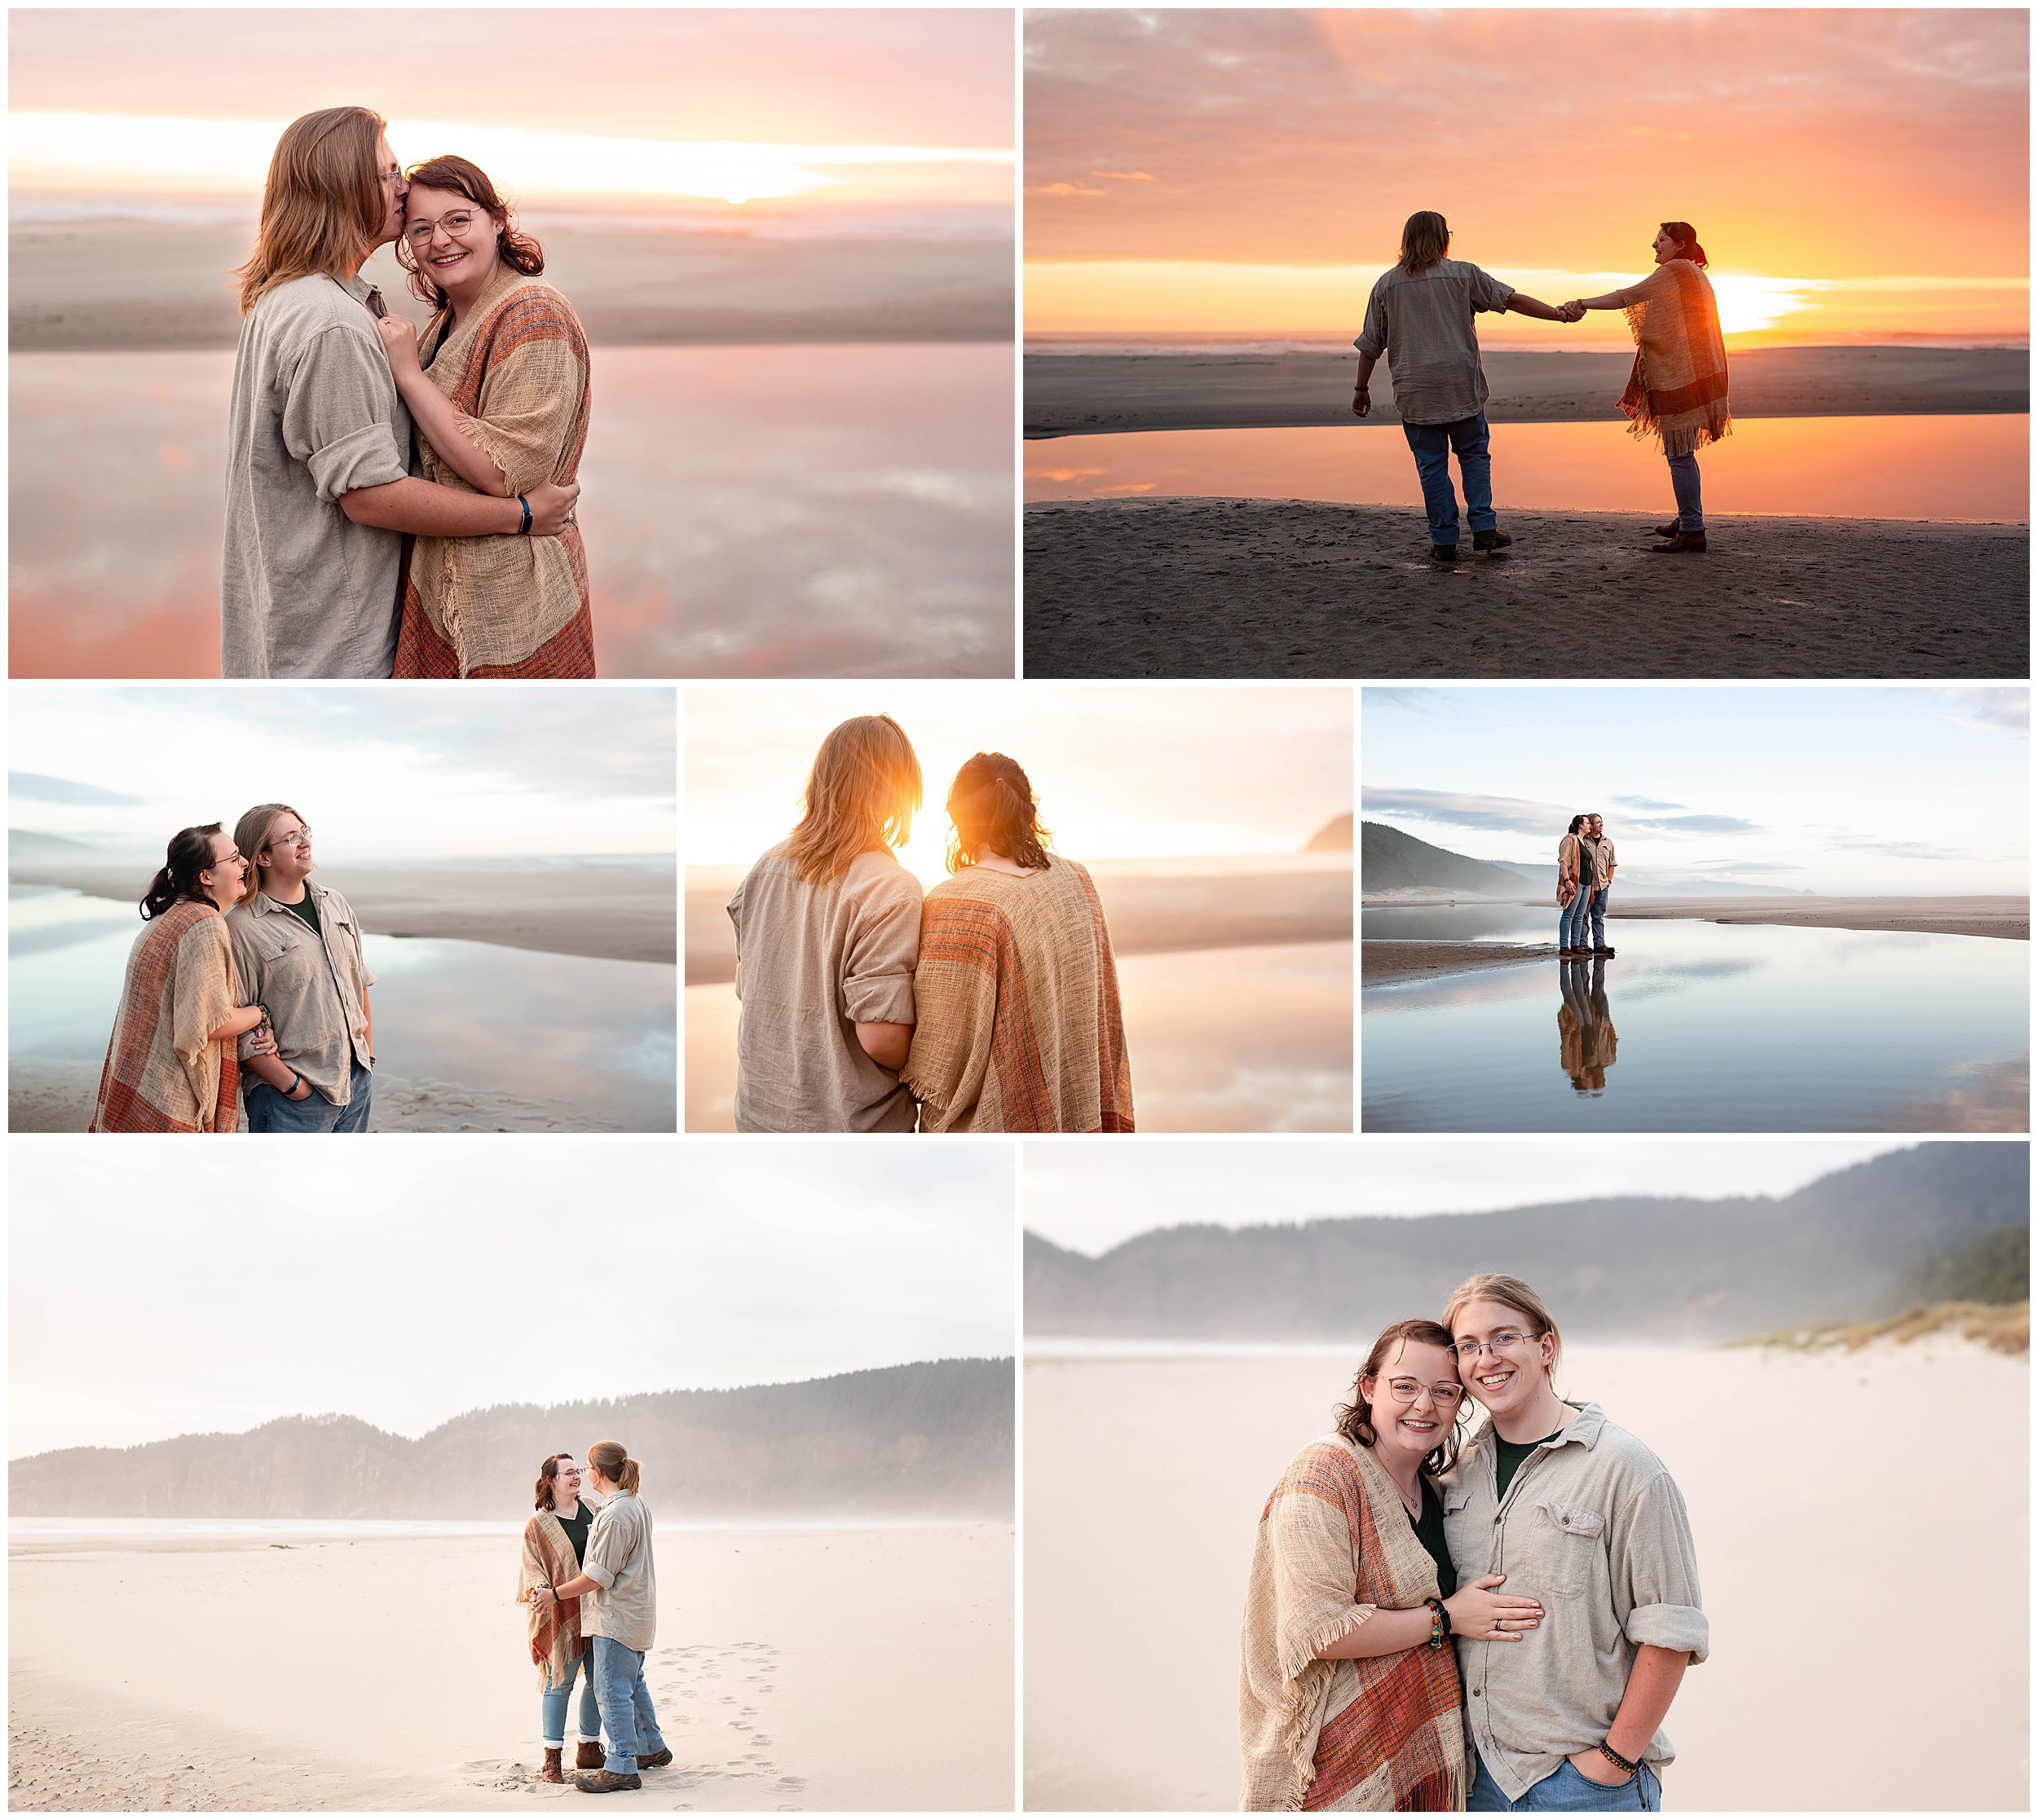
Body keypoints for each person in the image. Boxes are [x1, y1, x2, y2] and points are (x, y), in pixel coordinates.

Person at [223, 107, 580, 679]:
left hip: (299, 635)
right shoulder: (331, 323)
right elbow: (370, 495)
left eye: (459, 219)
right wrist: (519, 515)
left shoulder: (289, 301)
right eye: (388, 173)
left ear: (496, 221)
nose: (402, 186)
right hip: (337, 649)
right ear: (343, 188)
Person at [1239, 1319, 1545, 1810]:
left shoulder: (1440, 1492)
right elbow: (1317, 1629)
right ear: (1369, 1388)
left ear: (1461, 1403)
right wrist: (1445, 1618)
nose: (1424, 1406)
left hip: (1418, 1754)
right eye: (1404, 1387)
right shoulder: (1324, 1475)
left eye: (1444, 1392)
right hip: (1330, 1764)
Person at [1440, 1275, 1705, 1812]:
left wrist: (1612, 1761)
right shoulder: (1457, 1473)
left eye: (1503, 1337)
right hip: (1474, 1781)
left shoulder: (1626, 1467)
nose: (1486, 1357)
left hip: (1580, 1785)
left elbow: (1671, 1628)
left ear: (1546, 1346)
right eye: (1468, 1345)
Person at [381, 155, 594, 678]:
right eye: (421, 228)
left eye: (459, 219)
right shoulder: (441, 327)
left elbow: (506, 473)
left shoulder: (533, 314)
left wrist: (408, 375)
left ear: (497, 221)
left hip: (518, 605)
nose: (441, 241)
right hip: (440, 597)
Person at [902, 752, 1133, 1132]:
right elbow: (1099, 1013)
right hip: (1079, 1118)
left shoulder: (956, 904)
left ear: (957, 817)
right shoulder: (1077, 881)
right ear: (1027, 809)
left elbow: (938, 1063)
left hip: (991, 1138)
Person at [726, 715, 925, 1131]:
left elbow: (749, 987)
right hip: (850, 1132)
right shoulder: (889, 887)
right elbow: (881, 1039)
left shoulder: (766, 867)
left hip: (758, 1118)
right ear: (896, 793)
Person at [1351, 210, 1581, 562]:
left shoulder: (1387, 284)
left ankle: (1443, 539)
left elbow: (1371, 343)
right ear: (1444, 239)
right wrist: (1559, 314)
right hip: (1461, 386)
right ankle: (1485, 528)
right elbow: (1511, 300)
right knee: (1474, 456)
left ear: (1407, 240)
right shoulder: (1462, 274)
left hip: (1416, 390)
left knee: (1431, 466)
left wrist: (1361, 389)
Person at [90, 825, 273, 1131]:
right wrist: (261, 1012)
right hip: (171, 1095)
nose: (244, 864)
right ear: (206, 877)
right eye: (233, 859)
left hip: (139, 1080)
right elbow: (207, 1024)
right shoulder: (205, 924)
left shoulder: (171, 914)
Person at [1563, 224, 1730, 555]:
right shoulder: (1692, 272)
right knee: (1683, 452)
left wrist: (1581, 302)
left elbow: (1628, 296)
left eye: (1662, 238)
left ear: (1680, 245)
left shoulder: (1675, 270)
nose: (1654, 243)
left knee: (1679, 453)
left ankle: (1693, 530)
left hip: (1683, 373)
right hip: (1700, 369)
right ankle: (1687, 520)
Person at [226, 804, 377, 1132]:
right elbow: (234, 1020)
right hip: (291, 1099)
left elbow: (358, 981)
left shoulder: (334, 902)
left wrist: (367, 1057)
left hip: (356, 1081)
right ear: (263, 857)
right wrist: (294, 1087)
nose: (305, 842)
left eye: (305, 832)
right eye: (292, 838)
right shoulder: (241, 927)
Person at [536, 1439, 672, 1794]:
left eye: (585, 1467)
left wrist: (555, 1594)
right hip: (637, 1612)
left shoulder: (612, 1514)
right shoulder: (635, 1503)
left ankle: (622, 1766)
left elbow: (598, 1575)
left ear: (599, 1472)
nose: (582, 1473)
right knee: (633, 1684)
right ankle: (651, 1747)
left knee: (612, 1694)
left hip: (616, 1617)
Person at [518, 1453, 605, 1783]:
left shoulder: (594, 1509)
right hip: (561, 1611)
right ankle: (552, 1761)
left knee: (600, 1683)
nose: (576, 1476)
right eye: (568, 1472)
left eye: (578, 1471)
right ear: (551, 1480)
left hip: (600, 1608)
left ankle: (588, 1747)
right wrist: (541, 1588)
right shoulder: (537, 1524)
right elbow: (531, 1568)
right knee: (559, 1683)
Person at [1557, 958, 1617, 1095]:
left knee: (1575, 995)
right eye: (1601, 1080)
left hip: (1577, 1030)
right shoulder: (1607, 1062)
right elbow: (1613, 1040)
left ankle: (1571, 966)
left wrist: (1568, 1032)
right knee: (1588, 993)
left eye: (1595, 1081)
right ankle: (1577, 964)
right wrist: (1609, 1024)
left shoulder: (1570, 1067)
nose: (1600, 1078)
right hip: (1593, 1027)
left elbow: (1565, 1047)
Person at [1578, 814, 1617, 958]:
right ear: (1591, 825)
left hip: (1603, 886)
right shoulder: (1582, 840)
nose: (1601, 825)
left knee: (1599, 916)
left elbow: (1612, 863)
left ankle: (1600, 944)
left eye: (1602, 822)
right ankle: (1583, 944)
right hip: (1587, 885)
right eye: (1598, 822)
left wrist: (1609, 881)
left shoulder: (1608, 842)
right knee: (1583, 915)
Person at [1556, 814, 1590, 959]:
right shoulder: (1570, 839)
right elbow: (1563, 860)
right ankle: (1564, 947)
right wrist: (1568, 880)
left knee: (1579, 916)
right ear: (1580, 825)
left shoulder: (1584, 841)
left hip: (1587, 883)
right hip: (1575, 881)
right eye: (1588, 823)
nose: (1590, 825)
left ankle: (1575, 946)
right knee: (1569, 914)